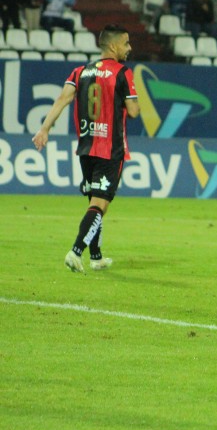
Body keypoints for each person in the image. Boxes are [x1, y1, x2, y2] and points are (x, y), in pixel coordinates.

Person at [31, 25, 139, 273]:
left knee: (95, 202)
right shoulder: (123, 73)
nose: (129, 48)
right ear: (113, 45)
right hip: (110, 149)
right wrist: (129, 99)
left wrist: (44, 129)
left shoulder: (80, 71)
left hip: (86, 148)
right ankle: (76, 251)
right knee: (100, 205)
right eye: (126, 43)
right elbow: (133, 111)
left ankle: (96, 256)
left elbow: (62, 99)